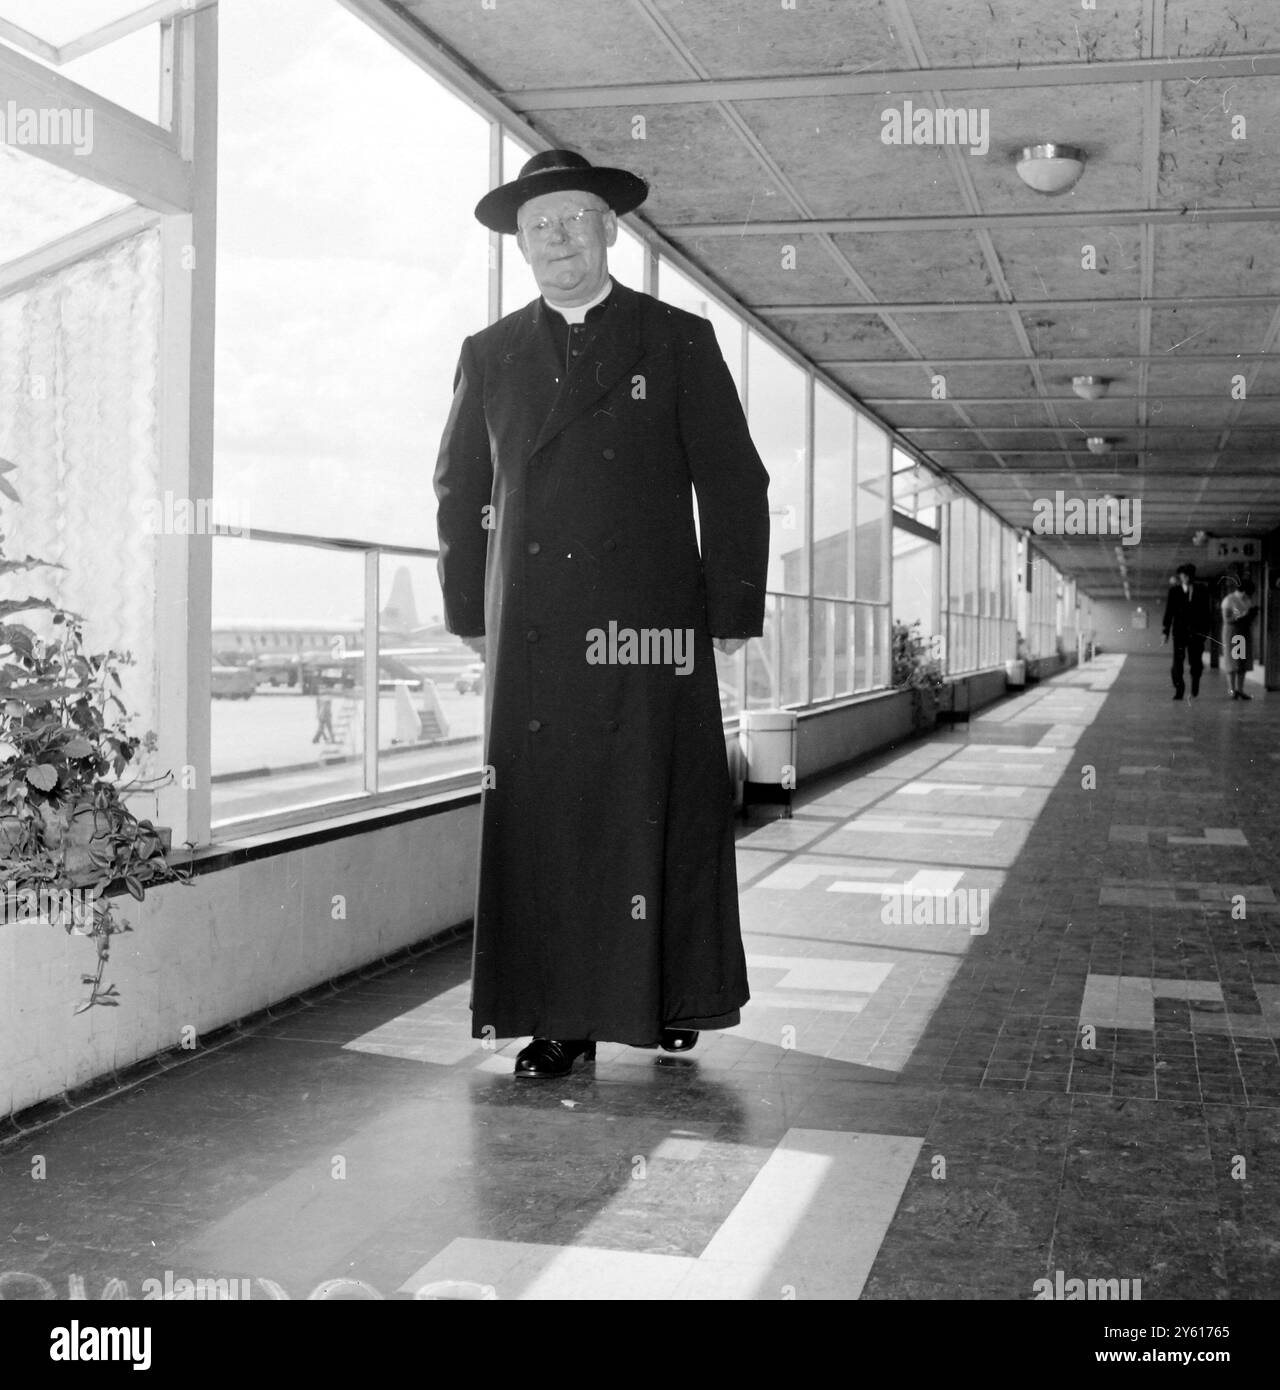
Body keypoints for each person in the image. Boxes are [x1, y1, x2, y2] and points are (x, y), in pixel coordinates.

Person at [434, 150, 771, 1078]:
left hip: (652, 628)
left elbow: (734, 480)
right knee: (548, 821)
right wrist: (472, 609)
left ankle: (670, 993)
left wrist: (731, 606)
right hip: (536, 632)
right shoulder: (488, 353)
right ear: (519, 242)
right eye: (538, 225)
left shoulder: (676, 339)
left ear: (610, 230)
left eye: (574, 220)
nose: (557, 238)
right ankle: (558, 1017)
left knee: (654, 808)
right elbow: (461, 490)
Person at [1161, 563, 1213, 699]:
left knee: (1196, 662)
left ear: (1193, 576)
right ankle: (1179, 689)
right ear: (1180, 577)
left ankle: (1195, 682)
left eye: (1189, 576)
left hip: (1197, 633)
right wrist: (1165, 631)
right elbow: (1169, 612)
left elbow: (1206, 612)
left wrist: (1205, 632)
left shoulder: (1202, 590)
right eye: (1184, 576)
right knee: (1177, 663)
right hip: (1179, 633)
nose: (1186, 578)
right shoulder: (1174, 591)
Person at [1220, 574, 1255, 701]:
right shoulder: (1229, 600)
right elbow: (1227, 618)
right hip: (1232, 633)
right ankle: (1231, 691)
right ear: (1244, 590)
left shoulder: (1247, 600)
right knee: (1232, 663)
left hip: (1244, 632)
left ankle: (1240, 690)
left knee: (1242, 663)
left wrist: (1250, 615)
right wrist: (1243, 616)